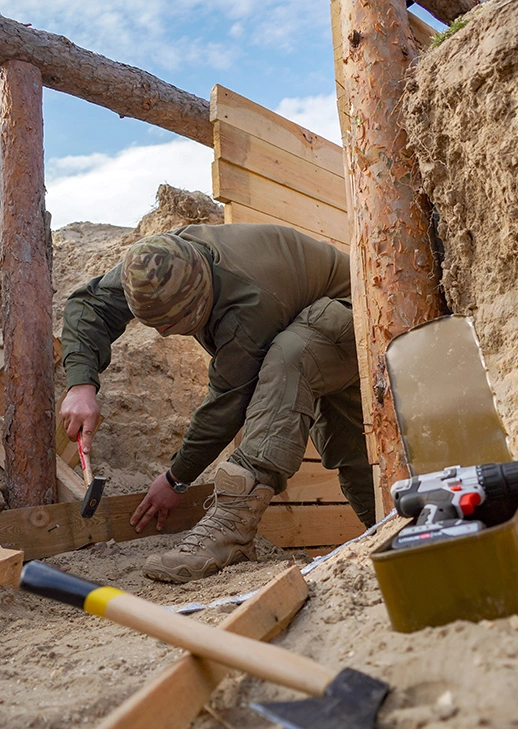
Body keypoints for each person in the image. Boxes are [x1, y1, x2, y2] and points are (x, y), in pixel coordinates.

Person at [60, 223, 374, 583]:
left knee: (292, 355)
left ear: (201, 296)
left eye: (173, 323)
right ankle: (390, 525)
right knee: (350, 447)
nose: (163, 333)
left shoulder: (250, 306)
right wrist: (81, 384)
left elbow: (228, 402)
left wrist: (177, 478)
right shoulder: (161, 258)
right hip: (310, 316)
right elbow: (91, 304)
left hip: (359, 309)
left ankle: (233, 526)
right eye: (156, 324)